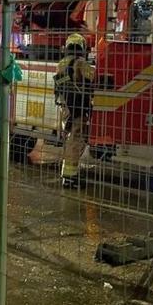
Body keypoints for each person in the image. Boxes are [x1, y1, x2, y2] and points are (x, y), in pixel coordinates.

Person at [54, 32, 94, 188]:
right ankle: (70, 176)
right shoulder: (81, 64)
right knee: (76, 139)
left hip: (67, 106)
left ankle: (69, 173)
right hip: (78, 106)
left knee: (70, 138)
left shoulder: (62, 63)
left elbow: (60, 84)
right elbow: (93, 78)